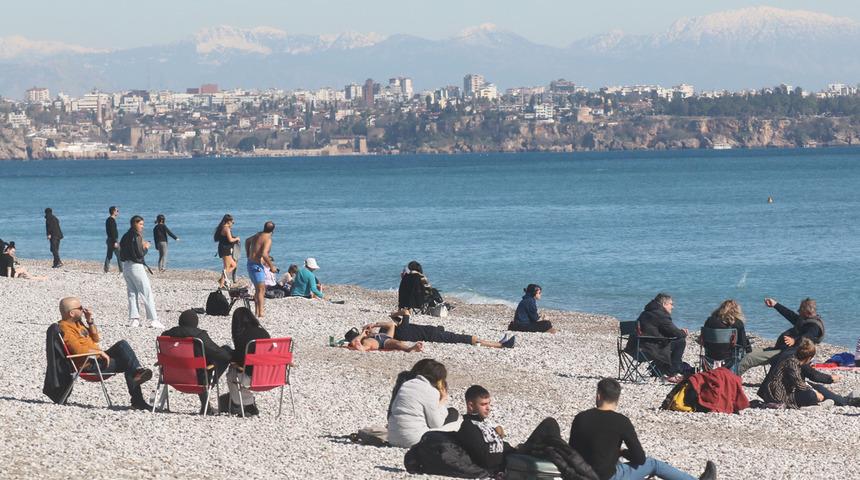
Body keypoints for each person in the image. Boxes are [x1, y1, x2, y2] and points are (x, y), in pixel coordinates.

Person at [569, 378, 716, 480]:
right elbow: (640, 458)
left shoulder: (581, 417)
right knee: (652, 464)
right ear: (617, 398)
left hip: (581, 474)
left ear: (598, 395)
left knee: (611, 461)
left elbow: (571, 451)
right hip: (608, 476)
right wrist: (622, 452)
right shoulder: (622, 421)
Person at [57, 296, 153, 409]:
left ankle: (137, 372)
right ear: (72, 313)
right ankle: (138, 398)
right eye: (80, 308)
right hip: (89, 365)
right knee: (128, 363)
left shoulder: (78, 323)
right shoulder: (65, 328)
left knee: (122, 345)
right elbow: (77, 350)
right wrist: (99, 352)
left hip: (96, 359)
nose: (83, 309)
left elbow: (96, 338)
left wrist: (90, 321)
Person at [457, 385, 575, 475]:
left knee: (550, 438)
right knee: (549, 425)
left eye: (489, 404)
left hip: (513, 454)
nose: (489, 408)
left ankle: (573, 462)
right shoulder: (468, 428)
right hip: (508, 463)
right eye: (483, 404)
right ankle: (574, 464)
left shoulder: (483, 423)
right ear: (471, 405)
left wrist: (509, 444)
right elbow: (486, 457)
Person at [160, 309, 232, 414]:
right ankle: (207, 390)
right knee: (225, 353)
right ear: (195, 323)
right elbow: (219, 353)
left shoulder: (165, 336)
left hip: (172, 377)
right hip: (196, 379)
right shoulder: (199, 336)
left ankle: (206, 405)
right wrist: (232, 354)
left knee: (201, 362)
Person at [757, 338, 859, 408]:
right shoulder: (792, 362)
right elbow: (799, 382)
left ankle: (844, 401)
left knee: (817, 388)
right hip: (777, 395)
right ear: (809, 357)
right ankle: (843, 401)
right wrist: (815, 392)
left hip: (780, 389)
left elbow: (801, 380)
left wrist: (817, 388)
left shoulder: (792, 355)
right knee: (811, 394)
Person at [738, 297, 825, 376]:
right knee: (746, 352)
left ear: (807, 312)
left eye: (800, 310)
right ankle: (729, 375)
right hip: (780, 350)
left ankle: (731, 380)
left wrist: (795, 340)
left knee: (749, 358)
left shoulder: (814, 326)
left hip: (786, 354)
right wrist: (775, 304)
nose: (798, 312)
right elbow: (790, 315)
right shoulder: (804, 320)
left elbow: (807, 337)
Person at [387, 359, 459, 448]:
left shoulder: (405, 384)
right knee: (453, 414)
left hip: (392, 438)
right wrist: (442, 401)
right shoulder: (430, 390)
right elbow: (436, 423)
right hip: (414, 440)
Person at [625, 293, 688, 383]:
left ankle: (662, 370)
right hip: (647, 351)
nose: (672, 307)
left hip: (634, 348)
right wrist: (683, 332)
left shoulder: (645, 312)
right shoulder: (661, 315)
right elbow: (675, 333)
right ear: (664, 304)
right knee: (680, 341)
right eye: (671, 304)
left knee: (670, 342)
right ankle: (672, 373)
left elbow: (659, 330)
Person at [119, 215, 163, 328]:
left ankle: (134, 319)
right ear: (135, 223)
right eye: (140, 224)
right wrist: (146, 247)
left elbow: (121, 252)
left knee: (132, 293)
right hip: (136, 266)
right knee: (146, 291)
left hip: (126, 266)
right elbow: (139, 254)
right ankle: (154, 319)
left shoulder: (125, 236)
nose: (142, 227)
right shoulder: (136, 236)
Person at [360, 318, 515, 349]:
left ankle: (499, 343)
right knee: (468, 339)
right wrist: (374, 325)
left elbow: (390, 325)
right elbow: (403, 314)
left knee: (467, 338)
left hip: (434, 332)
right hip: (435, 335)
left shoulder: (395, 333)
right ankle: (500, 344)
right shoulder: (397, 331)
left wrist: (369, 330)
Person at [227, 307, 270, 416]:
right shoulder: (264, 333)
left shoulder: (242, 336)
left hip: (253, 378)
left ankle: (248, 404)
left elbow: (240, 360)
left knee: (231, 373)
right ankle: (247, 404)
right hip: (271, 375)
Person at [701, 299, 751, 369]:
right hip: (729, 359)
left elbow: (703, 338)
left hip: (710, 357)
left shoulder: (710, 320)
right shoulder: (737, 323)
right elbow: (743, 344)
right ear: (736, 310)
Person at [245, 221, 278, 318]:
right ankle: (261, 313)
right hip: (256, 266)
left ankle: (257, 312)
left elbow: (247, 241)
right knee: (261, 289)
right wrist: (271, 266)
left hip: (251, 264)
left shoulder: (257, 235)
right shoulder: (268, 239)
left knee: (259, 289)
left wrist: (248, 254)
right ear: (273, 230)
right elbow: (264, 254)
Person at [343, 323, 425, 353]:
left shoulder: (379, 333)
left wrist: (375, 324)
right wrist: (363, 333)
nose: (371, 329)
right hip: (377, 342)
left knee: (397, 343)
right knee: (397, 343)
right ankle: (410, 349)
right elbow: (353, 343)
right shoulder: (365, 339)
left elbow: (391, 325)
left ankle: (410, 348)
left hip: (385, 338)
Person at [214, 214, 240, 289]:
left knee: (233, 265)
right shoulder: (226, 229)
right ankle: (221, 284)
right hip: (225, 249)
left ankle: (221, 280)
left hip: (225, 248)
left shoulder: (223, 228)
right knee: (227, 266)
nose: (232, 224)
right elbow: (230, 240)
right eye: (232, 222)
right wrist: (237, 238)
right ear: (228, 221)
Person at [104, 206, 122, 273]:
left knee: (109, 255)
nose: (118, 212)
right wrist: (115, 241)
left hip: (109, 239)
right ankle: (121, 271)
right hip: (113, 240)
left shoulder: (108, 219)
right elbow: (113, 231)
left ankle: (106, 270)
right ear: (114, 212)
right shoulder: (111, 220)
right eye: (117, 211)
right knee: (119, 255)